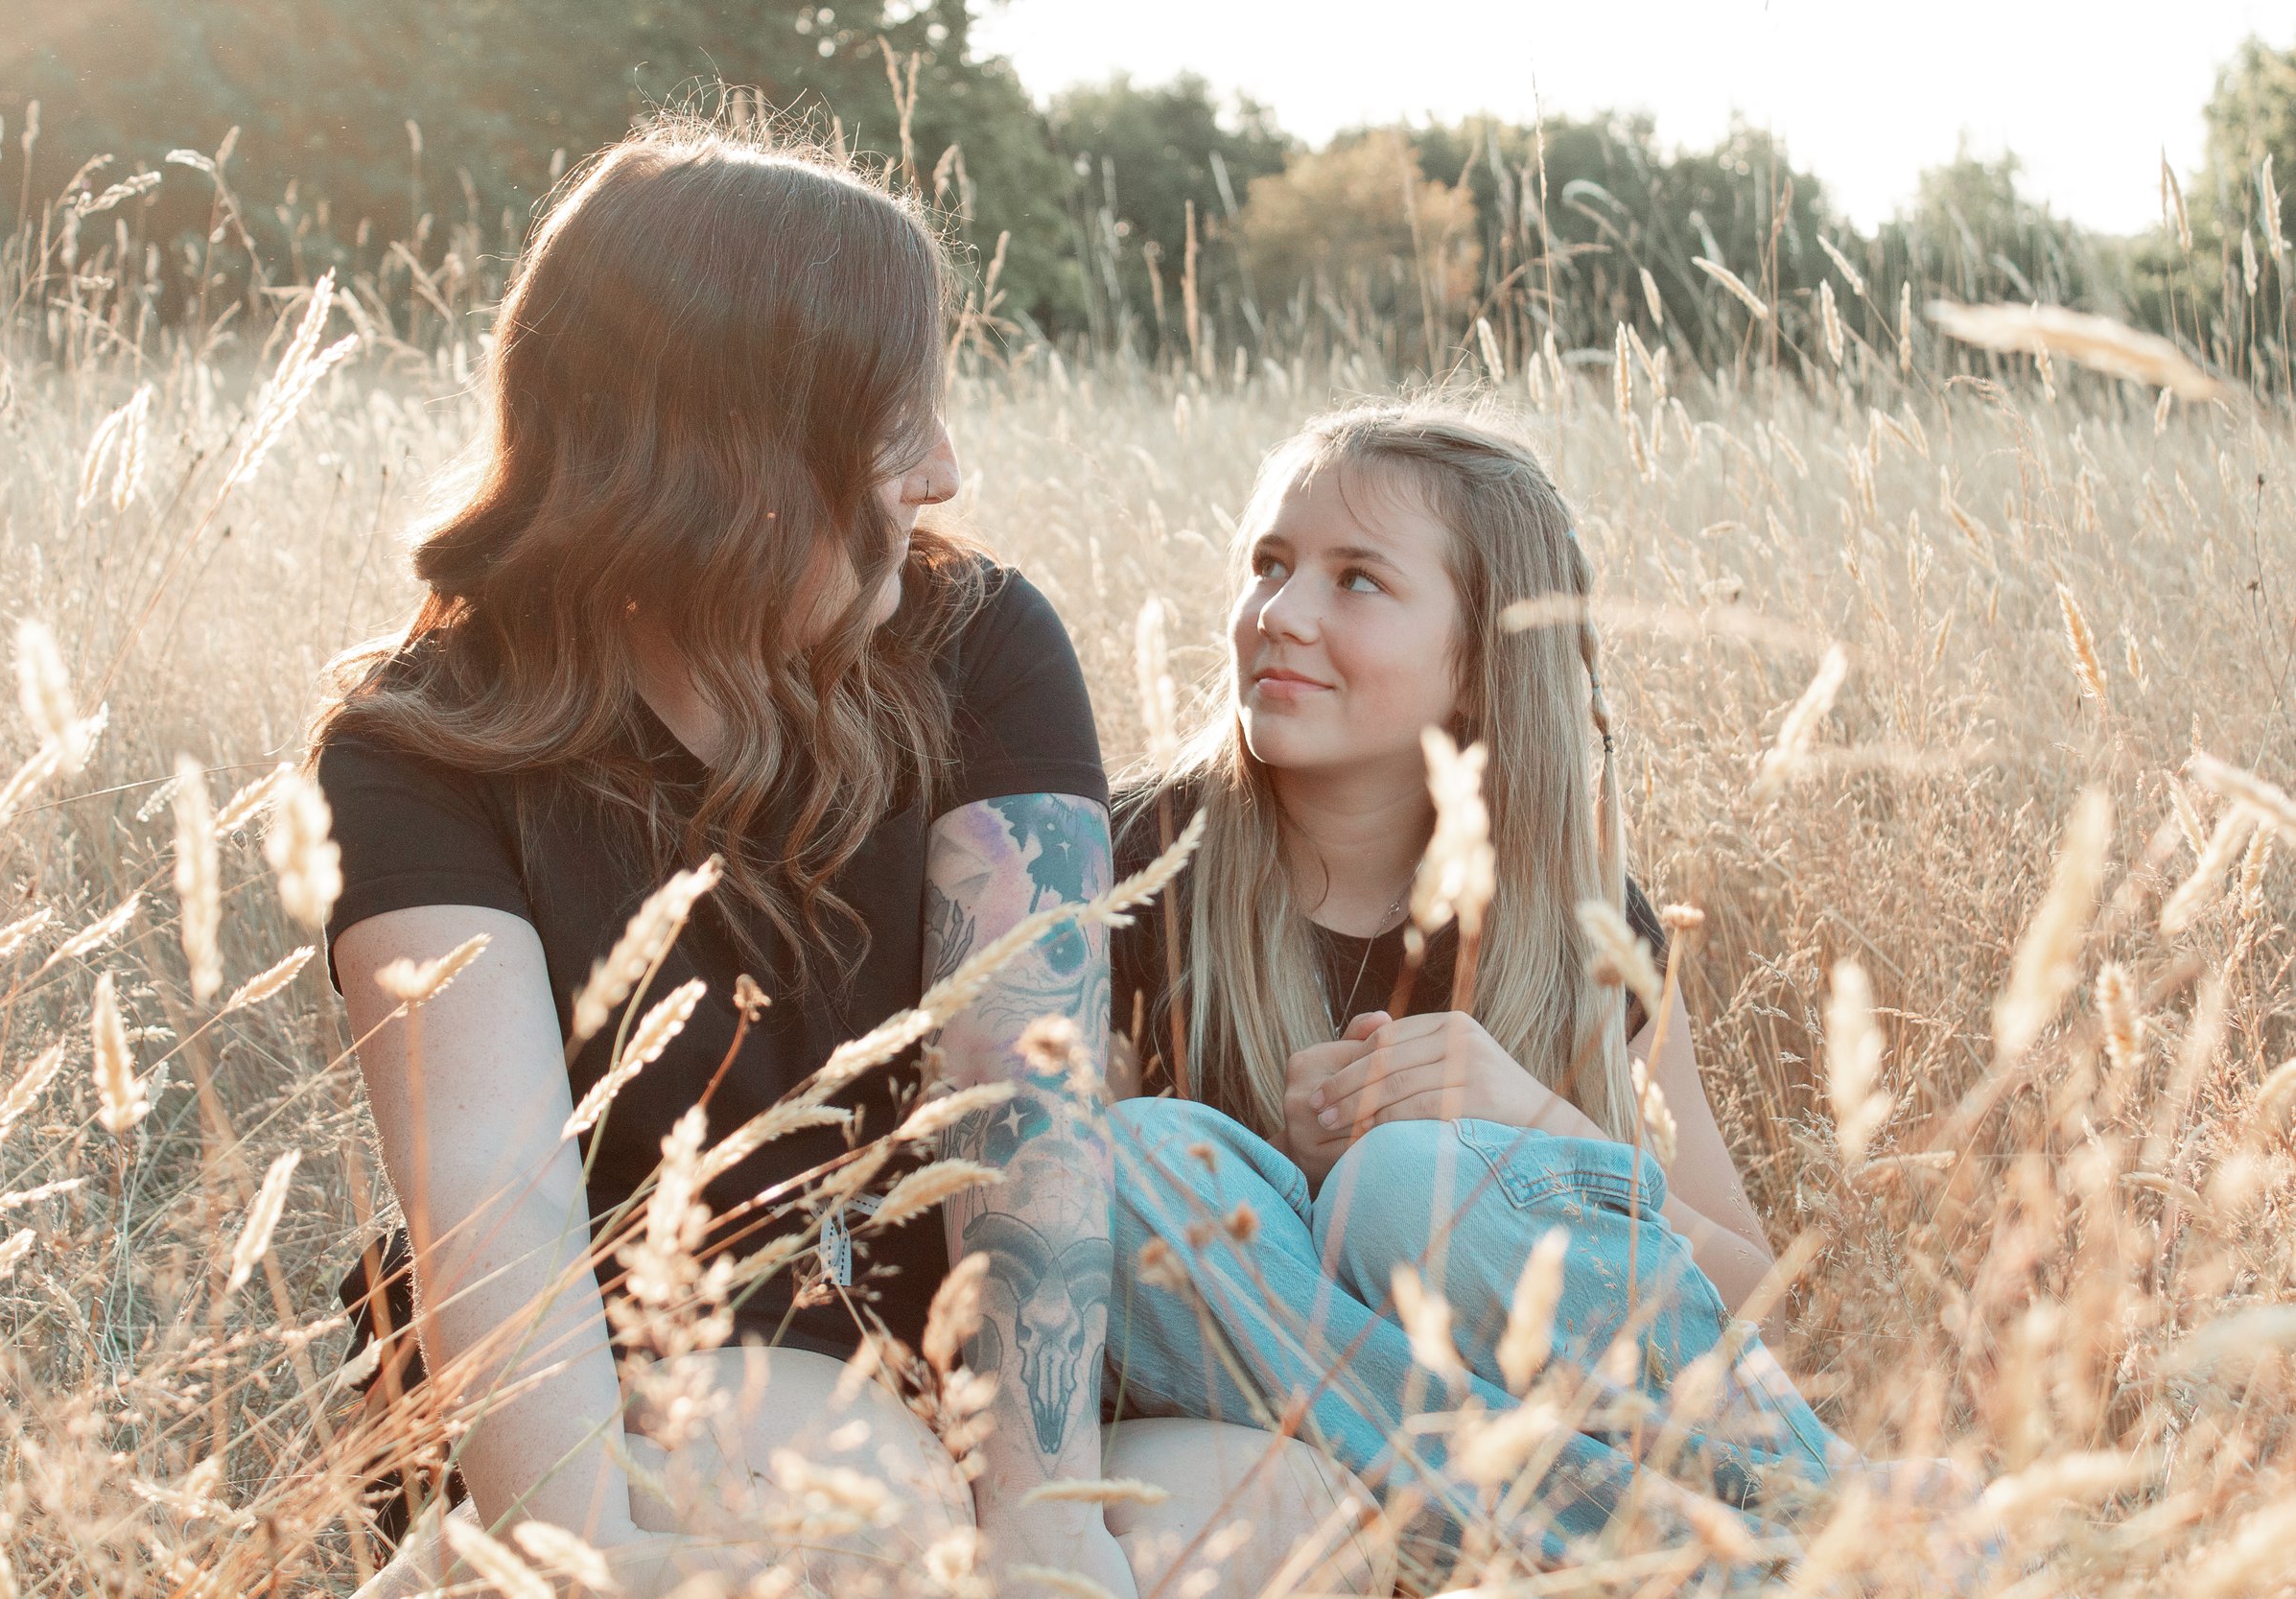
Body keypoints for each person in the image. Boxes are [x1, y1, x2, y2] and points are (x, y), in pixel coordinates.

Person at [313, 123, 1375, 1599]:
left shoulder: (982, 640)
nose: (946, 468)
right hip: (604, 1379)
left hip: (943, 1365)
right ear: (733, 446)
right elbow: (493, 1188)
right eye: (896, 420)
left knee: (1291, 1508)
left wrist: (1049, 1529)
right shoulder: (417, 743)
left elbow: (1024, 1106)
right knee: (861, 1512)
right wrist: (596, 1552)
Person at [1105, 406, 1853, 1578]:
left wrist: (1539, 1130)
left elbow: (1768, 1308)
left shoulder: (1577, 919)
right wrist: (1290, 1171)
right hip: (1272, 1458)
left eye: (1355, 579)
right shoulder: (1133, 863)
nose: (1280, 614)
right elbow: (1058, 1248)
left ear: (1478, 657)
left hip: (1499, 1433)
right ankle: (1724, 1562)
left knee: (1413, 1185)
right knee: (1126, 1167)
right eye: (1268, 564)